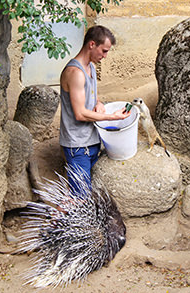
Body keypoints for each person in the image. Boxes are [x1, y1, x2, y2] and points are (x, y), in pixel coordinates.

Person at [60, 25, 130, 195]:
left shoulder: (90, 67)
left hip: (92, 140)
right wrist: (111, 117)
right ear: (92, 45)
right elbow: (80, 113)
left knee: (81, 193)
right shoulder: (75, 72)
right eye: (104, 51)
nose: (105, 56)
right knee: (80, 197)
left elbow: (90, 95)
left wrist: (99, 103)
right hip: (77, 146)